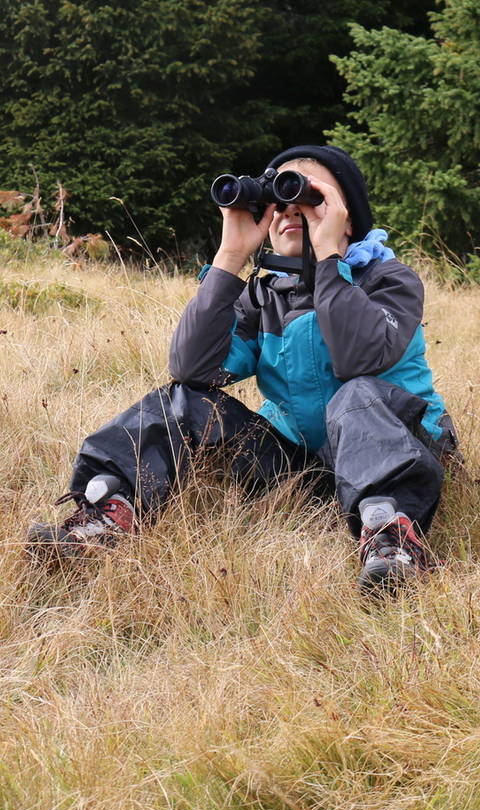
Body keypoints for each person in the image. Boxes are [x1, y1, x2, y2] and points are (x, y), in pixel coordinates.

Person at [28, 144, 458, 593]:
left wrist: (329, 257)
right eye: (277, 204)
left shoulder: (387, 279)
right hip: (304, 468)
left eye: (309, 199)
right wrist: (230, 258)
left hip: (401, 451)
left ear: (345, 216)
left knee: (356, 394)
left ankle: (393, 539)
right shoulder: (265, 295)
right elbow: (193, 369)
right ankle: (106, 515)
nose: (289, 212)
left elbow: (360, 359)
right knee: (182, 401)